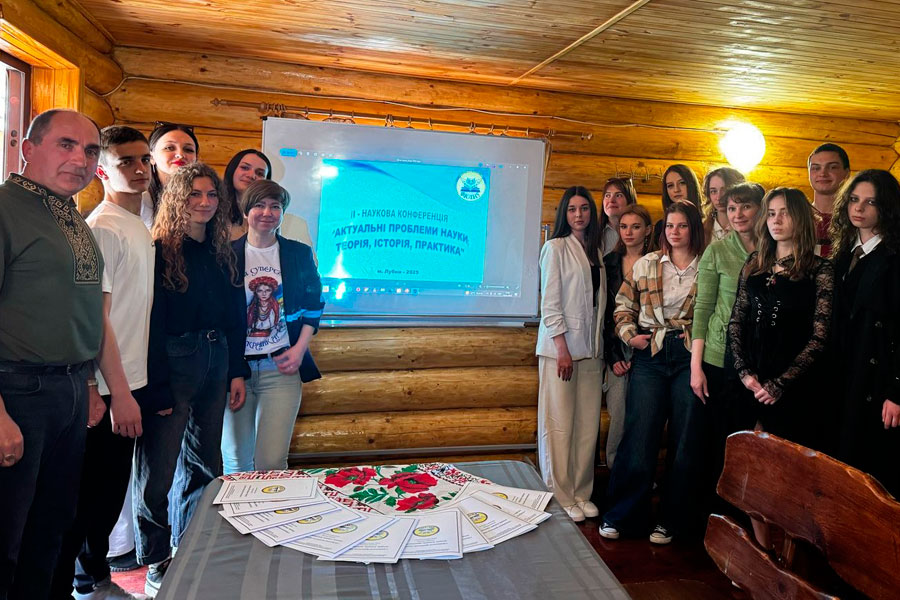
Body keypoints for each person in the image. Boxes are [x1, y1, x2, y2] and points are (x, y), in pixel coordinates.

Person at [48, 126, 158, 600]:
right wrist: (105, 391)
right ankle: (79, 583)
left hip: (130, 381)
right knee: (86, 501)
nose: (139, 169)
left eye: (144, 160)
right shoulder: (103, 228)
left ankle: (93, 579)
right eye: (125, 161)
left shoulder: (137, 225)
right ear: (102, 171)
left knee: (109, 495)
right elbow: (98, 319)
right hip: (109, 388)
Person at [0, 109, 103, 599]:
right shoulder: (6, 209)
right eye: (66, 144)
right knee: (6, 537)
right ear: (28, 148)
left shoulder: (69, 214)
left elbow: (79, 310)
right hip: (17, 392)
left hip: (68, 390)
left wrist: (87, 385)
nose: (80, 159)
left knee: (50, 528)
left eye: (90, 150)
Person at [133, 163, 246, 598]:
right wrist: (156, 386)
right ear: (178, 199)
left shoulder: (222, 252)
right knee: (157, 471)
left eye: (211, 195)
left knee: (205, 465)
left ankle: (191, 549)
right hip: (173, 362)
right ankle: (155, 561)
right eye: (195, 194)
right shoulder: (159, 250)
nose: (204, 202)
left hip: (217, 357)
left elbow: (235, 319)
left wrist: (236, 370)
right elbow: (151, 324)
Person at [600, 202, 706, 545]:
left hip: (690, 354)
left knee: (684, 439)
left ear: (694, 229)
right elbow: (622, 306)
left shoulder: (707, 265)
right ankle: (622, 515)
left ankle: (670, 521)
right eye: (670, 226)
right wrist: (631, 336)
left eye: (682, 226)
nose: (675, 232)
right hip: (650, 352)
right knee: (640, 433)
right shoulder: (647, 263)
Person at [221, 180, 324, 473]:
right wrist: (233, 372)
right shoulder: (226, 255)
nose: (267, 213)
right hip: (235, 372)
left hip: (280, 370)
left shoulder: (298, 253)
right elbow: (221, 317)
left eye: (275, 206)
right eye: (259, 205)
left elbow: (314, 304)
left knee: (272, 463)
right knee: (236, 462)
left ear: (282, 213)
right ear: (246, 211)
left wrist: (299, 348)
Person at [689, 182, 764, 506]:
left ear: (760, 209)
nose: (738, 214)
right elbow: (703, 309)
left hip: (758, 361)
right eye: (732, 208)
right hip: (718, 359)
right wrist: (696, 367)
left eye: (745, 206)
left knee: (750, 447)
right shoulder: (717, 250)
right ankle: (711, 517)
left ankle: (742, 518)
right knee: (716, 445)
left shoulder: (773, 249)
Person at [535, 186, 606, 522]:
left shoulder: (596, 251)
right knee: (559, 426)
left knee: (586, 427)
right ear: (564, 213)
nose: (579, 215)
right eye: (573, 209)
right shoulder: (555, 248)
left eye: (585, 208)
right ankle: (561, 494)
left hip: (591, 351)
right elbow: (550, 304)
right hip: (560, 352)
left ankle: (581, 493)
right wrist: (562, 348)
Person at [830, 170, 900, 496]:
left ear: (887, 207)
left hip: (876, 379)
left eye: (870, 202)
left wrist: (896, 392)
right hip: (843, 374)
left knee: (873, 480)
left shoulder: (895, 258)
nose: (858, 208)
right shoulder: (843, 254)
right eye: (854, 199)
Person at [600, 204, 652, 469]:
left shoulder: (657, 262)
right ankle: (615, 472)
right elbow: (604, 314)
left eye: (635, 227)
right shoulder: (608, 263)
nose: (628, 232)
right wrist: (614, 356)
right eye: (623, 227)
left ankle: (639, 477)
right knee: (619, 415)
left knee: (644, 418)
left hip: (649, 350)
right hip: (617, 350)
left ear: (648, 230)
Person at [140, 122, 200, 230]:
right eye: (169, 148)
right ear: (151, 157)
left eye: (188, 149)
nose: (180, 155)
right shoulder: (141, 199)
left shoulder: (205, 198)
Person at [808, 143, 850, 257]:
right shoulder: (797, 216)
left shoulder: (854, 218)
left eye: (832, 167)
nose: (823, 173)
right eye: (816, 168)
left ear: (847, 173)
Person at [649, 164, 701, 251]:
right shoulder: (660, 227)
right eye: (670, 185)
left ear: (691, 184)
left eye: (682, 183)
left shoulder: (707, 223)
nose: (676, 190)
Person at [223, 149, 272, 241]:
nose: (251, 175)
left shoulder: (270, 213)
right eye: (245, 168)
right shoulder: (215, 205)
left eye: (260, 173)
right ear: (233, 170)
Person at [702, 167, 745, 243]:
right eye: (713, 191)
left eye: (724, 190)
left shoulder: (746, 228)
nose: (719, 197)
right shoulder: (702, 229)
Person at [599, 177, 637, 254]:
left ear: (629, 200)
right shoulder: (593, 231)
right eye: (607, 195)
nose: (611, 200)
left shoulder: (640, 232)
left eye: (618, 195)